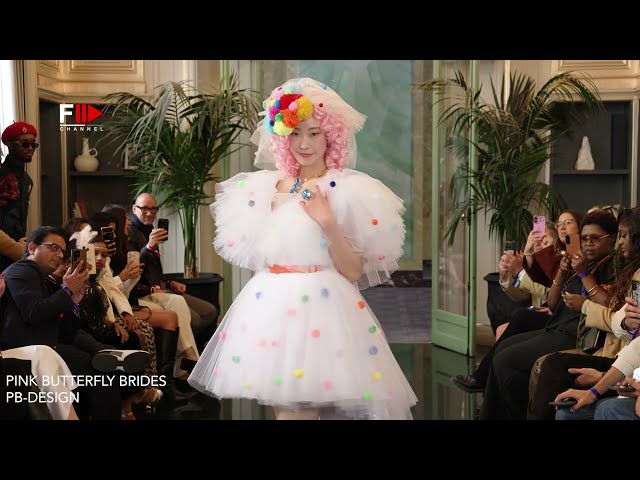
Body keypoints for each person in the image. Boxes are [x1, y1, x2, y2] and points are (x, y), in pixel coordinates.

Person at [188, 77, 418, 420]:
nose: (304, 143)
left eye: (314, 133)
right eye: (295, 133)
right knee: (286, 412)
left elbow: (353, 270)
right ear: (283, 136)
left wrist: (327, 222)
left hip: (321, 312)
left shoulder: (346, 190)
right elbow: (264, 256)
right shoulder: (265, 188)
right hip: (269, 311)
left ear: (331, 137)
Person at [479, 209, 617, 419]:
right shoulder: (583, 262)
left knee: (505, 360)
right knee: (503, 351)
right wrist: (562, 272)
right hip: (556, 325)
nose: (588, 243)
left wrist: (582, 274)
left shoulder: (612, 267)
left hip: (575, 333)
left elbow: (610, 304)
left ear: (612, 239)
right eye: (585, 238)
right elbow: (552, 302)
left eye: (595, 238)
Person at [0, 122, 36, 271]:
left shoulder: (27, 180)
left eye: (33, 144)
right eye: (24, 144)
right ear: (9, 144)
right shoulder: (2, 176)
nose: (30, 148)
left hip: (18, 250)